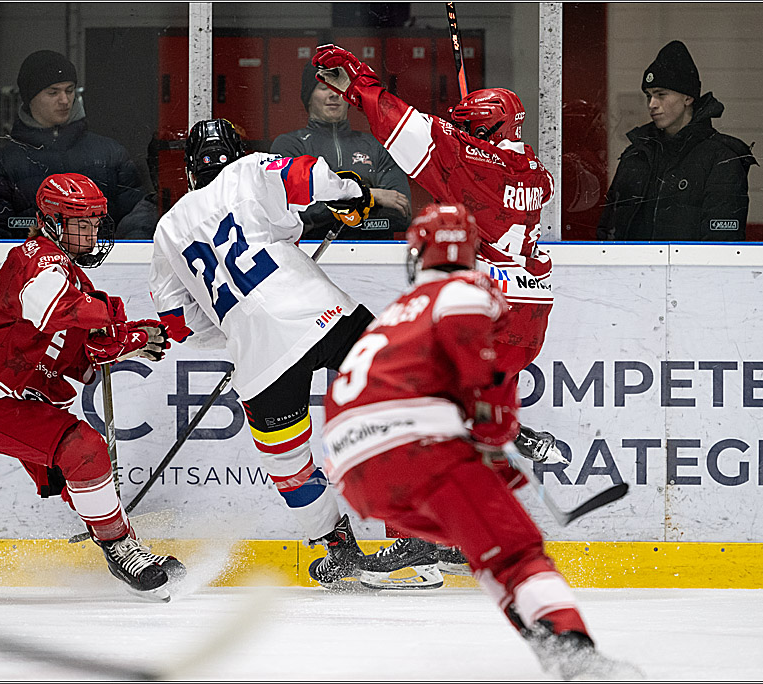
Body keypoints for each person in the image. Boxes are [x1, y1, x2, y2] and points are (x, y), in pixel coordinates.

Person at [321, 203, 641, 679]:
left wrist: (484, 449)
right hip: (416, 450)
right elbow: (483, 382)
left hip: (352, 470)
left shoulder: (397, 314)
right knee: (517, 553)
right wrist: (497, 433)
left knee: (486, 549)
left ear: (418, 254)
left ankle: (546, 643)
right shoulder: (466, 290)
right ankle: (576, 654)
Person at [312, 44, 567, 581]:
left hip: (486, 311)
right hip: (528, 319)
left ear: (490, 128)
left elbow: (407, 130)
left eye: (473, 127)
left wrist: (358, 81)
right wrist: (468, 132)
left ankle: (420, 538)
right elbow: (472, 153)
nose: (465, 134)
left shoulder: (474, 163)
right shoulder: (534, 170)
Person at [148, 119, 428, 589]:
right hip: (325, 314)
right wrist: (350, 195)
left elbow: (177, 323)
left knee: (289, 464)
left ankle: (335, 549)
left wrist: (238, 327)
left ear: (190, 171)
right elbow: (309, 176)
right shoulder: (249, 171)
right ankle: (419, 538)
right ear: (237, 150)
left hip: (259, 359)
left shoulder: (167, 229)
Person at [0, 173, 184, 602]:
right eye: (81, 222)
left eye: (96, 221)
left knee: (77, 469)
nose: (92, 232)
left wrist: (130, 339)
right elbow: (54, 308)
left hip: (7, 395)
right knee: (84, 448)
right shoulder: (38, 257)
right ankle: (120, 548)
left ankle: (124, 544)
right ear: (52, 221)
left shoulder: (68, 272)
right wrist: (116, 319)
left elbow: (75, 349)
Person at [0, 50, 152, 240]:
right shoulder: (2, 164)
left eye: (69, 90)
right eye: (53, 92)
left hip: (104, 266)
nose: (64, 100)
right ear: (30, 97)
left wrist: (120, 260)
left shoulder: (111, 154)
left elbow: (137, 221)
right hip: (34, 268)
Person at [596, 40, 758, 241]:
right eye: (649, 96)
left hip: (694, 272)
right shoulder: (636, 155)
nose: (652, 105)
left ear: (688, 98)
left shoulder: (721, 158)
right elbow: (608, 232)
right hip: (632, 272)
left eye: (661, 95)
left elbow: (722, 244)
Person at [270, 62, 412, 240]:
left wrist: (327, 203)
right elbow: (293, 213)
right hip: (308, 253)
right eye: (323, 88)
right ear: (308, 97)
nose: (333, 95)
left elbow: (400, 213)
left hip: (375, 253)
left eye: (339, 89)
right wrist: (371, 196)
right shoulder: (290, 146)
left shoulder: (376, 146)